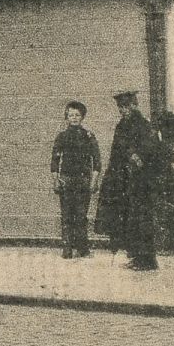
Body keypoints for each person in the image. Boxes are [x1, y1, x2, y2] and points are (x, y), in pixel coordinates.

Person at [101, 89, 165, 272]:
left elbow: (150, 151)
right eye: (121, 107)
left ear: (135, 105)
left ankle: (148, 260)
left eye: (127, 106)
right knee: (129, 220)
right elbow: (116, 152)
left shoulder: (144, 125)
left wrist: (136, 157)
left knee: (142, 220)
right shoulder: (121, 126)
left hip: (142, 181)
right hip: (124, 180)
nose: (123, 110)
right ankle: (136, 257)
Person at [50, 101, 101, 260]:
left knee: (81, 215)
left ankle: (82, 248)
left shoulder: (88, 136)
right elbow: (54, 161)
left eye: (77, 115)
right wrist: (56, 180)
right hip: (66, 180)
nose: (74, 118)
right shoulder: (62, 137)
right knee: (66, 215)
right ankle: (67, 249)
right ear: (66, 117)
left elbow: (96, 160)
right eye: (71, 115)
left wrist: (94, 181)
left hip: (83, 180)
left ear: (82, 117)